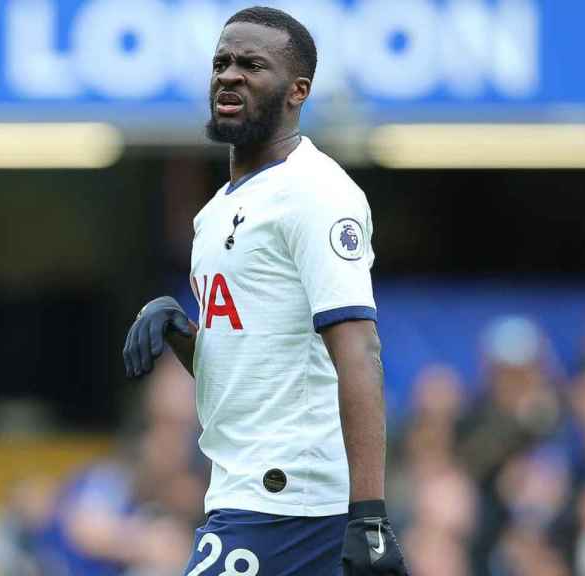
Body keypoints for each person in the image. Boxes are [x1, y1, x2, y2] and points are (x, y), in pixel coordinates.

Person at [122, 7, 407, 575]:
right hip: (240, 489)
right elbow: (248, 368)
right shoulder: (215, 213)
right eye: (222, 63)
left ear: (298, 91)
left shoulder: (317, 193)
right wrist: (183, 333)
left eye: (252, 65)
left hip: (289, 499)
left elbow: (359, 348)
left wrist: (370, 514)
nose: (230, 75)